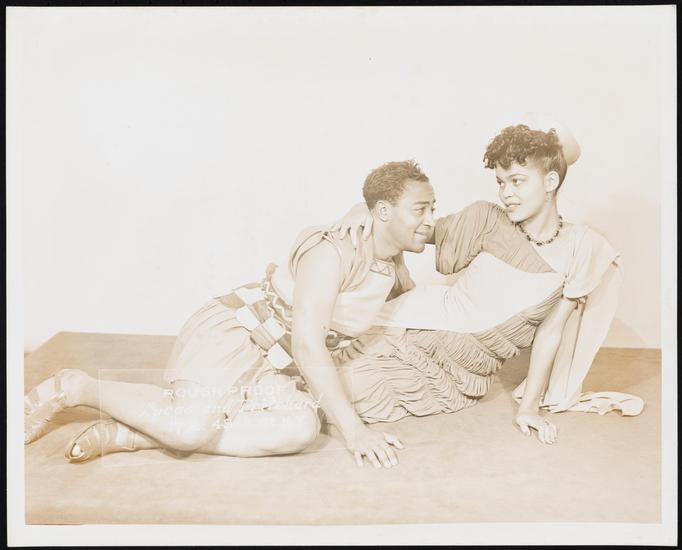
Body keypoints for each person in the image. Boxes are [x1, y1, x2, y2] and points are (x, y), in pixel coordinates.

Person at [24, 160, 436, 469]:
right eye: (421, 210)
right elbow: (308, 345)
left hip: (275, 365)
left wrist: (366, 207)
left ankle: (140, 435)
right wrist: (356, 431)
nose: (429, 220)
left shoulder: (392, 261)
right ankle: (76, 387)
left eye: (432, 209)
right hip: (236, 334)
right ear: (383, 211)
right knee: (188, 428)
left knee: (301, 429)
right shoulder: (333, 251)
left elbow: (448, 229)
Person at [330, 114, 643, 443]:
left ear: (550, 182)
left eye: (517, 181)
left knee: (349, 391)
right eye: (501, 182)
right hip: (412, 320)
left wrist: (529, 408)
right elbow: (410, 228)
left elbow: (550, 332)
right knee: (325, 370)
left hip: (459, 369)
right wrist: (364, 209)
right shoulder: (488, 219)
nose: (506, 193)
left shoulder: (581, 247)